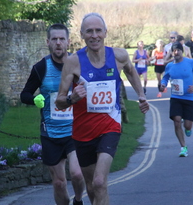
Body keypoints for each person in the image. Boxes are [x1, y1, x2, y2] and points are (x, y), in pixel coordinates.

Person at [55, 12, 149, 205]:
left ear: (105, 32)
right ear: (82, 35)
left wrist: (141, 95)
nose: (94, 35)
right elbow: (59, 101)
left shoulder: (118, 56)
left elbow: (131, 71)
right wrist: (73, 98)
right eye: (89, 31)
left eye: (98, 30)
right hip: (82, 132)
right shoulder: (73, 62)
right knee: (91, 186)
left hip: (110, 126)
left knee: (99, 182)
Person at [20, 23, 85, 205]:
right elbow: (24, 94)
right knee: (58, 183)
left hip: (75, 131)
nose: (58, 43)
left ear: (68, 42)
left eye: (62, 39)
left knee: (77, 174)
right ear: (48, 42)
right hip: (50, 133)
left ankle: (78, 200)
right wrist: (34, 99)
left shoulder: (78, 64)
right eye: (54, 39)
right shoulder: (40, 67)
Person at [160, 42, 193, 157]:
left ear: (182, 51)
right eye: (174, 50)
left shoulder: (190, 63)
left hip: (189, 98)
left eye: (178, 50)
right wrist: (163, 84)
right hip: (176, 97)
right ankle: (183, 147)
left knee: (187, 125)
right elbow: (165, 78)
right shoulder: (169, 66)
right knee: (177, 121)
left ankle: (188, 129)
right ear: (172, 52)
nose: (176, 52)